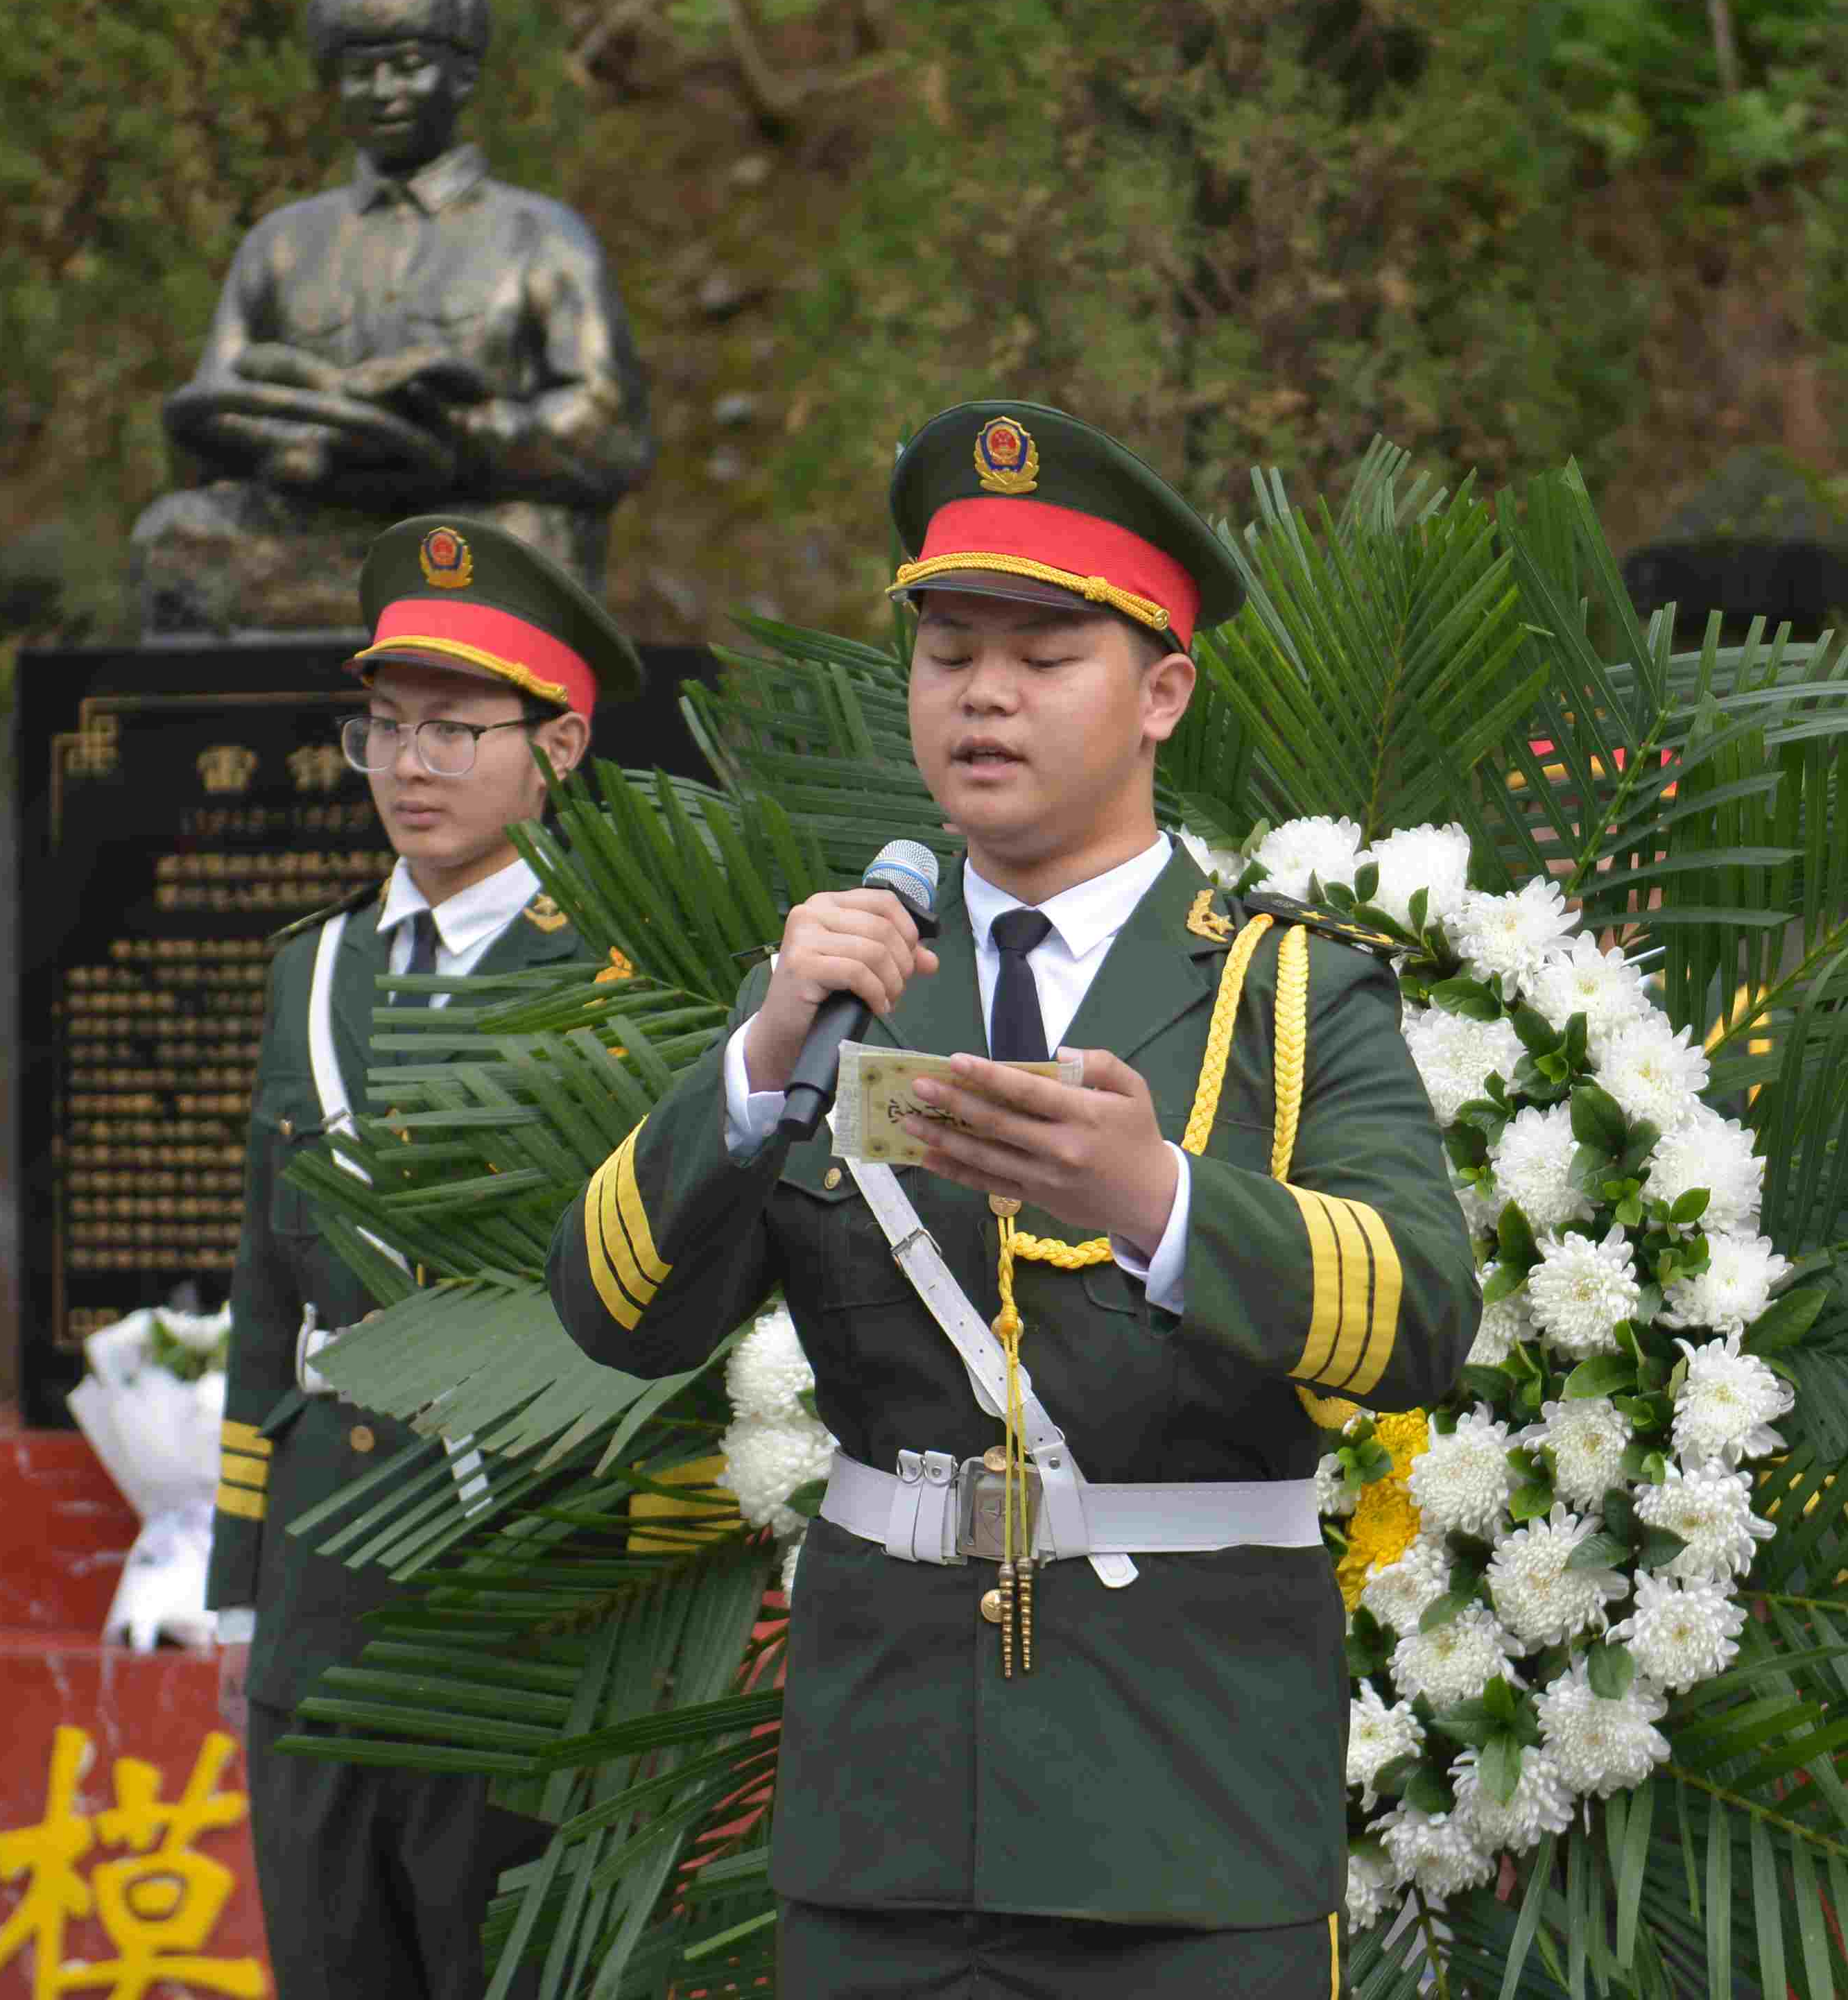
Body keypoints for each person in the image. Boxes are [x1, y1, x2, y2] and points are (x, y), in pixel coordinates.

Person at [546, 399, 1481, 1997]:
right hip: (889, 1815)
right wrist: (758, 1052)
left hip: (1184, 1812)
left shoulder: (1283, 987)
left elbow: (1419, 1312)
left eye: (1045, 651)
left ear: (1159, 691)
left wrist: (1158, 1196)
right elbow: (613, 1310)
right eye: (946, 646)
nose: (981, 690)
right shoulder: (839, 984)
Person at [210, 511, 644, 2000]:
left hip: (515, 1579)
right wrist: (236, 1575)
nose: (411, 765)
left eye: (458, 729)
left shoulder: (618, 982)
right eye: (385, 727)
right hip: (325, 1578)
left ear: (562, 742)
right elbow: (271, 1299)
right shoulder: (310, 971)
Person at [135, 0, 655, 626]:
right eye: (359, 73)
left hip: (472, 530)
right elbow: (218, 403)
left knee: (532, 548)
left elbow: (607, 426)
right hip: (309, 532)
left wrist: (463, 432)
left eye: (407, 68)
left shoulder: (542, 236)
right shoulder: (282, 243)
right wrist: (298, 444)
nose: (383, 93)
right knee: (174, 538)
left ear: (461, 77)